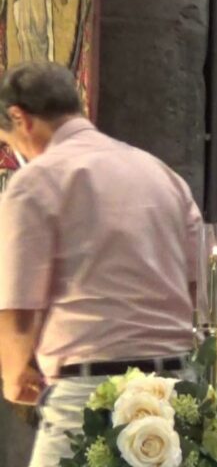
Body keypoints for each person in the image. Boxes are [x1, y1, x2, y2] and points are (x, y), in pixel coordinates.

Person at [0, 61, 201, 466]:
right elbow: (195, 286)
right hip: (174, 391)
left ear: (20, 118)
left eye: (8, 139)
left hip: (88, 392)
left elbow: (19, 307)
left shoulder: (36, 182)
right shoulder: (161, 174)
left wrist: (14, 373)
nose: (14, 151)